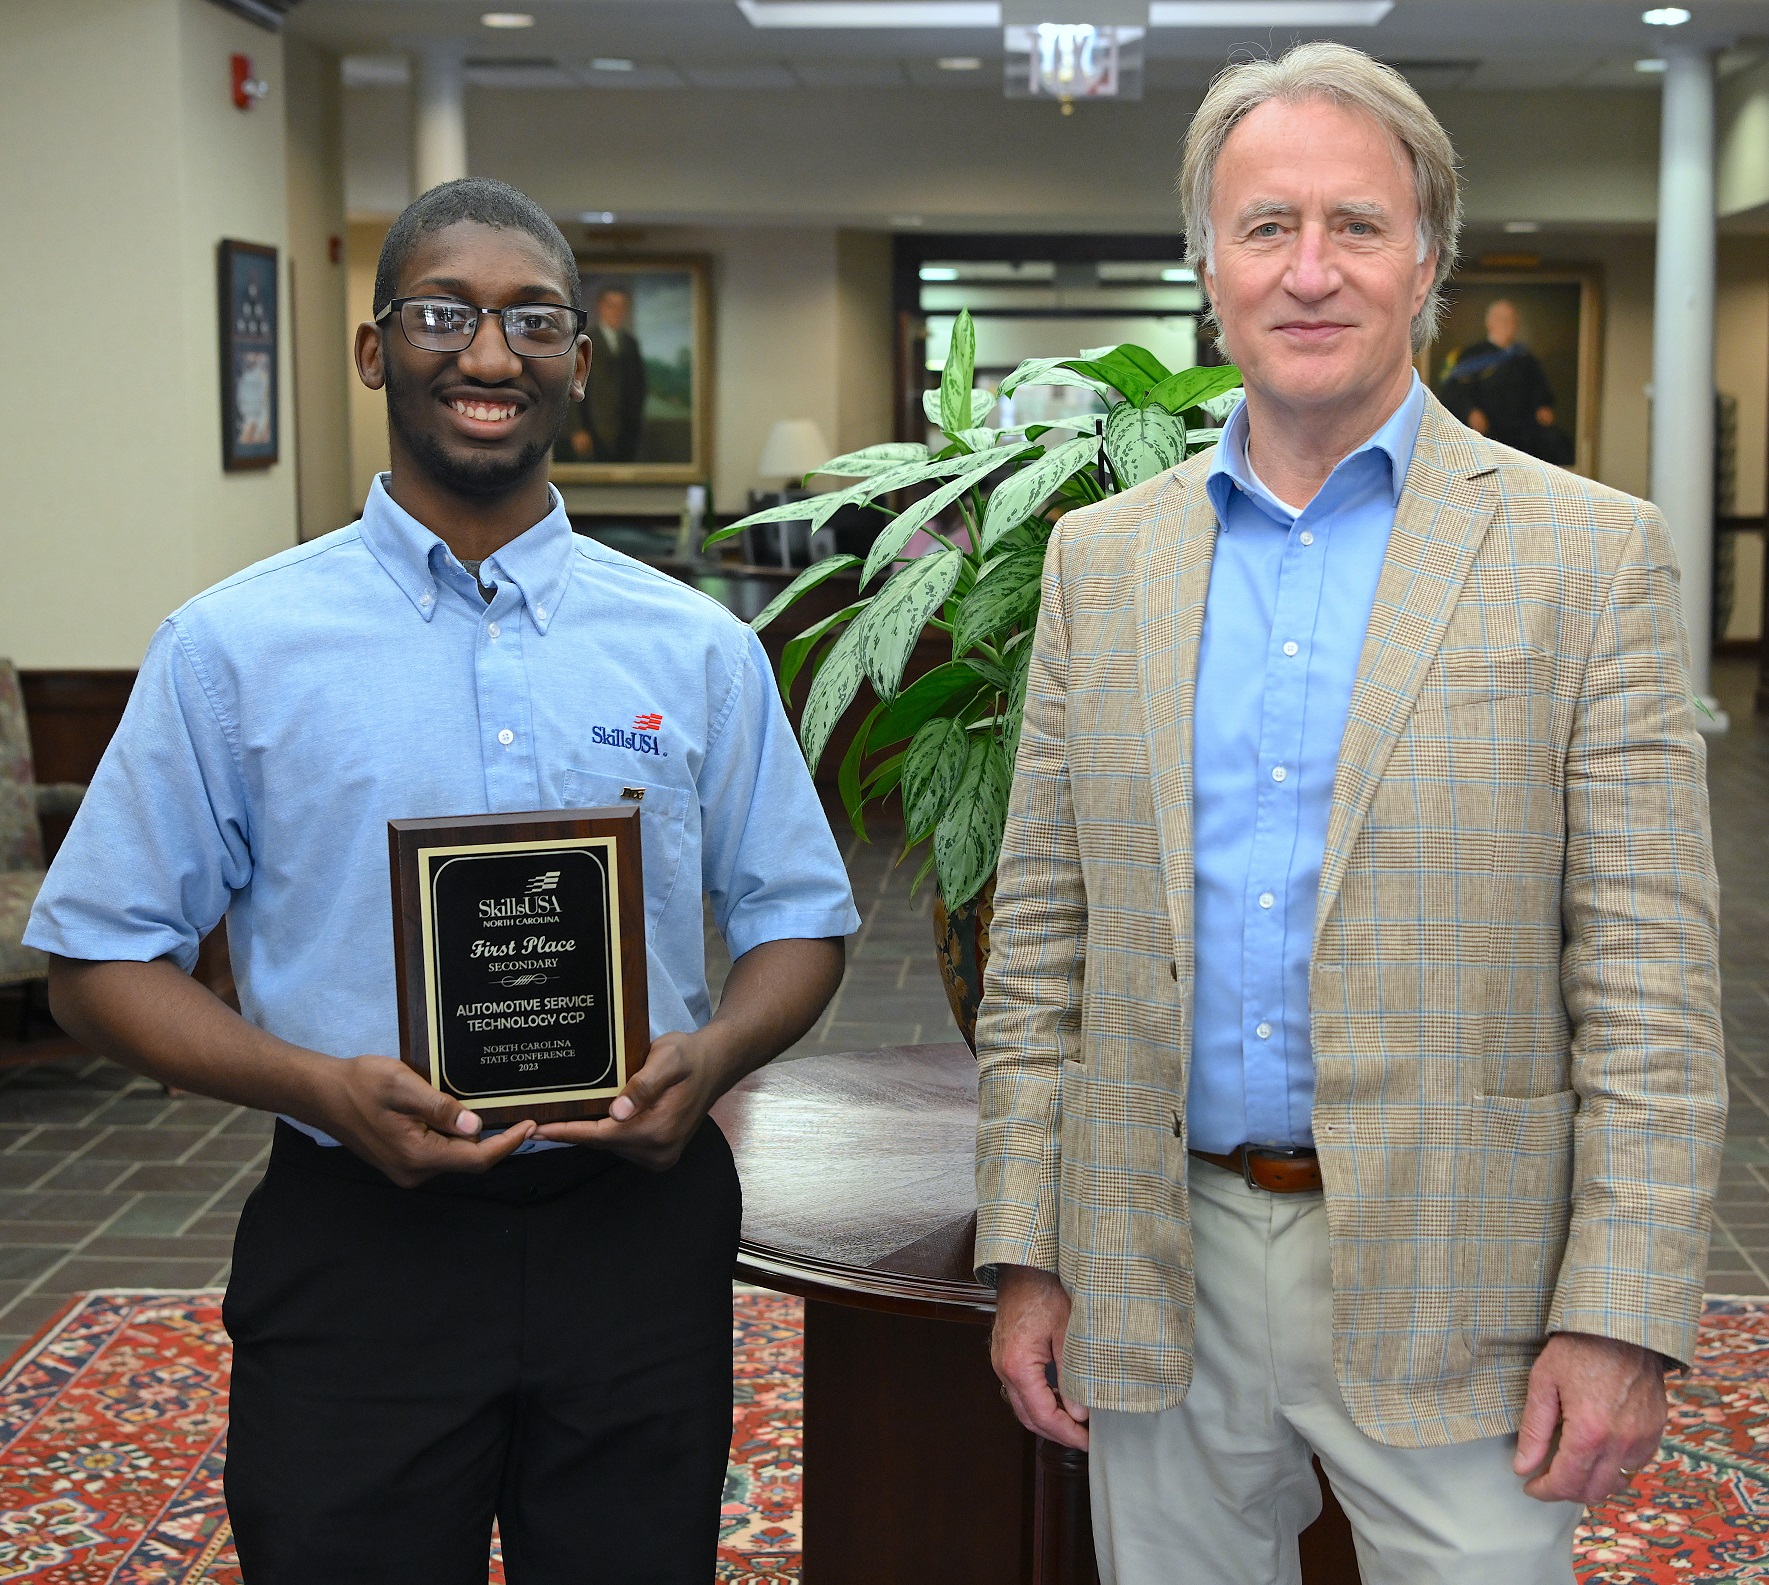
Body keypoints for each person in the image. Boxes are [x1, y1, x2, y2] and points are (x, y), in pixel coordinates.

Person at [27, 177, 859, 1585]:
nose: (489, 356)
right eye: (444, 314)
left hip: (633, 1234)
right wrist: (317, 1086)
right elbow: (98, 964)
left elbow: (799, 920)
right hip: (361, 1236)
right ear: (374, 351)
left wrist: (710, 1056)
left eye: (535, 320)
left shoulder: (696, 647)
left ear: (579, 363)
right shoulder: (234, 649)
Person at [977, 42, 1721, 1585]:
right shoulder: (1099, 565)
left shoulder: (1588, 558)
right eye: (1264, 227)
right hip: (1159, 1256)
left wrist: (1623, 1307)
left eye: (1356, 226)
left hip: (1470, 1273)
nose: (1308, 271)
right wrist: (1031, 1249)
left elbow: (1651, 984)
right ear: (1205, 263)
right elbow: (1043, 942)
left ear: (1427, 256)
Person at [1438, 297, 1570, 462]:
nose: (1510, 324)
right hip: (1486, 431)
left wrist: (1542, 407)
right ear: (1490, 323)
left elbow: (1539, 391)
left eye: (1513, 320)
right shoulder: (1471, 356)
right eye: (1503, 320)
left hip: (1522, 431)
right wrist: (1470, 411)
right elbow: (1454, 393)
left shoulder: (1525, 358)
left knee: (1556, 443)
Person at [559, 284, 647, 463]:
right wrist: (577, 429)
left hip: (627, 431)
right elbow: (571, 384)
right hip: (594, 428)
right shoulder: (585, 341)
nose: (616, 311)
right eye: (611, 305)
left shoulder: (631, 344)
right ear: (600, 307)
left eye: (621, 306)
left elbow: (639, 387)